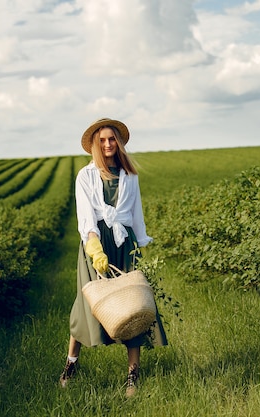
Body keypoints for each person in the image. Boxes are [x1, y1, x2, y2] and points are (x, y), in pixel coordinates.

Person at [59, 118, 168, 397]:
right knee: (88, 304)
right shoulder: (85, 176)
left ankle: (133, 374)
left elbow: (135, 213)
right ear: (95, 144)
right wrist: (95, 250)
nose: (108, 144)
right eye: (103, 140)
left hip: (124, 243)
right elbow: (86, 216)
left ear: (118, 143)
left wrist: (139, 243)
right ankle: (71, 363)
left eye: (112, 139)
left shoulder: (130, 175)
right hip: (96, 243)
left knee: (133, 303)